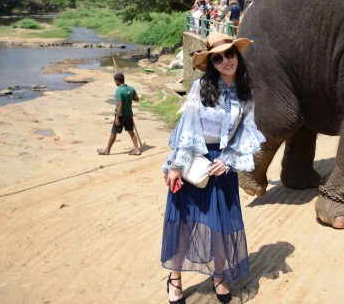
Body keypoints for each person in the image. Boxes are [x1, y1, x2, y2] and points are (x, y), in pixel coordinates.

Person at [160, 32, 265, 304]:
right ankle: (175, 278)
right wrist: (174, 165)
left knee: (221, 226)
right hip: (195, 158)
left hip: (222, 165)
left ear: (237, 56)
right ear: (212, 63)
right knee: (185, 223)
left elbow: (247, 129)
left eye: (230, 54)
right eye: (218, 58)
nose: (225, 61)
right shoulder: (200, 88)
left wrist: (228, 159)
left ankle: (218, 276)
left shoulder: (246, 91)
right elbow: (188, 126)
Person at [97, 73, 141, 155]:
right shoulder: (130, 88)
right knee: (131, 132)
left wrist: (117, 118)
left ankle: (107, 150)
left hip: (121, 116)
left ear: (117, 81)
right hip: (129, 115)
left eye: (115, 81)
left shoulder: (119, 91)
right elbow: (137, 99)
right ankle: (137, 149)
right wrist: (129, 95)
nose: (115, 82)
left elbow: (119, 105)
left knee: (113, 133)